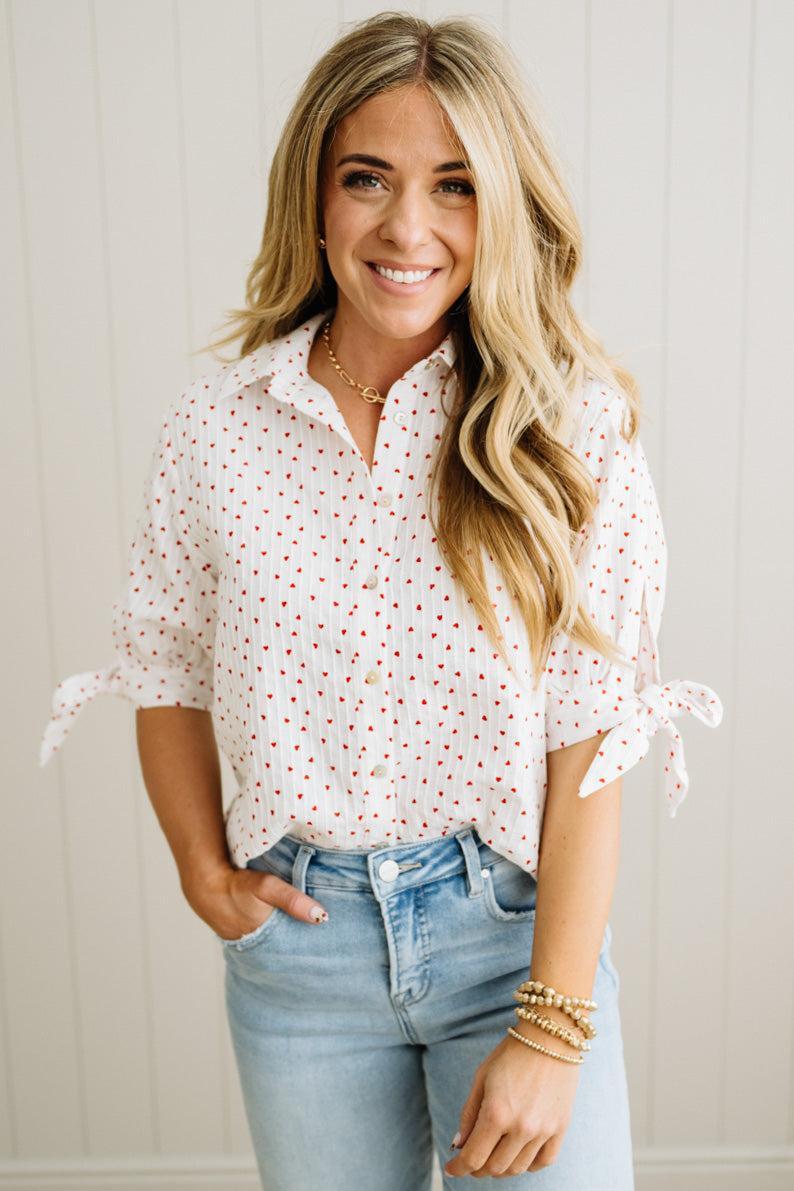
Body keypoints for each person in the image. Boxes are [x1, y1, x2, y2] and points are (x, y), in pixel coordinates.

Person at [38, 12, 723, 1189]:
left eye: (455, 187)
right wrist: (203, 872)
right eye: (369, 180)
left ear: (500, 206)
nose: (408, 229)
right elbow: (165, 666)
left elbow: (588, 741)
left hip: (510, 939)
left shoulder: (566, 428)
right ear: (314, 194)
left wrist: (551, 1025)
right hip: (300, 955)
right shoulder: (218, 429)